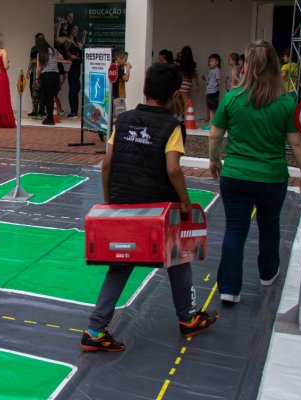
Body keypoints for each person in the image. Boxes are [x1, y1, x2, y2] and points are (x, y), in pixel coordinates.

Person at [80, 62, 218, 352]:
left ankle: (95, 328)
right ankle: (187, 318)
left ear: (144, 89)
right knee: (178, 258)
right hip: (159, 208)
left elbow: (107, 165)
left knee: (121, 264)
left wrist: (110, 203)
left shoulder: (125, 120)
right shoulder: (172, 126)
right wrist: (184, 202)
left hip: (125, 205)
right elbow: (173, 169)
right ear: (173, 95)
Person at [209, 40, 301, 304]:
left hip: (236, 174)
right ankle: (268, 273)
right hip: (271, 176)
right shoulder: (286, 102)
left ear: (247, 65)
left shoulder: (232, 98)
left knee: (235, 229)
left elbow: (215, 135)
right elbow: (296, 143)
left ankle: (230, 289)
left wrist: (214, 160)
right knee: (269, 225)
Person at [35, 37, 64, 125]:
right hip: (56, 76)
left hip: (46, 76)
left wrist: (36, 78)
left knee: (48, 98)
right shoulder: (53, 50)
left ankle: (50, 119)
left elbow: (39, 67)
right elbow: (61, 58)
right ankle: (50, 117)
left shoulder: (40, 53)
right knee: (52, 97)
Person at [65, 26, 83, 119]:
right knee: (73, 91)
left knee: (74, 91)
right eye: (74, 29)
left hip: (76, 69)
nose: (76, 31)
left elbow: (81, 46)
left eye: (77, 30)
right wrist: (70, 55)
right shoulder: (68, 41)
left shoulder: (77, 43)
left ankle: (74, 112)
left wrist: (84, 35)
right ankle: (74, 111)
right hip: (73, 68)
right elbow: (66, 52)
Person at [26, 33, 46, 118]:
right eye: (39, 39)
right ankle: (35, 110)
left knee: (42, 91)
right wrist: (28, 71)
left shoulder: (46, 49)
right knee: (33, 90)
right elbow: (31, 60)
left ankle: (42, 110)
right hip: (34, 71)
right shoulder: (33, 48)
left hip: (44, 72)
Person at [178, 46, 200, 116]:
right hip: (187, 85)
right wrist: (197, 84)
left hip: (181, 84)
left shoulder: (181, 64)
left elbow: (179, 75)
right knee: (185, 101)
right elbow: (195, 75)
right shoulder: (193, 64)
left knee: (185, 101)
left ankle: (185, 117)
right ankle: (183, 116)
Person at [111, 51, 131, 119]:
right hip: (117, 96)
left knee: (114, 117)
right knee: (122, 117)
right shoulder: (118, 68)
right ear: (119, 59)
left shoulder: (112, 66)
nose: (126, 62)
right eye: (125, 59)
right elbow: (126, 78)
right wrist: (128, 68)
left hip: (113, 95)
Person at [203, 53, 222, 125]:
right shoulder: (210, 71)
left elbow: (218, 81)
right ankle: (213, 121)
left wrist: (218, 83)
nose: (209, 63)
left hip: (213, 92)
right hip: (209, 91)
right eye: (209, 61)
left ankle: (212, 122)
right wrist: (205, 78)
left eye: (212, 61)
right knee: (210, 107)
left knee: (212, 108)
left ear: (217, 62)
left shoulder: (217, 70)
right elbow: (210, 79)